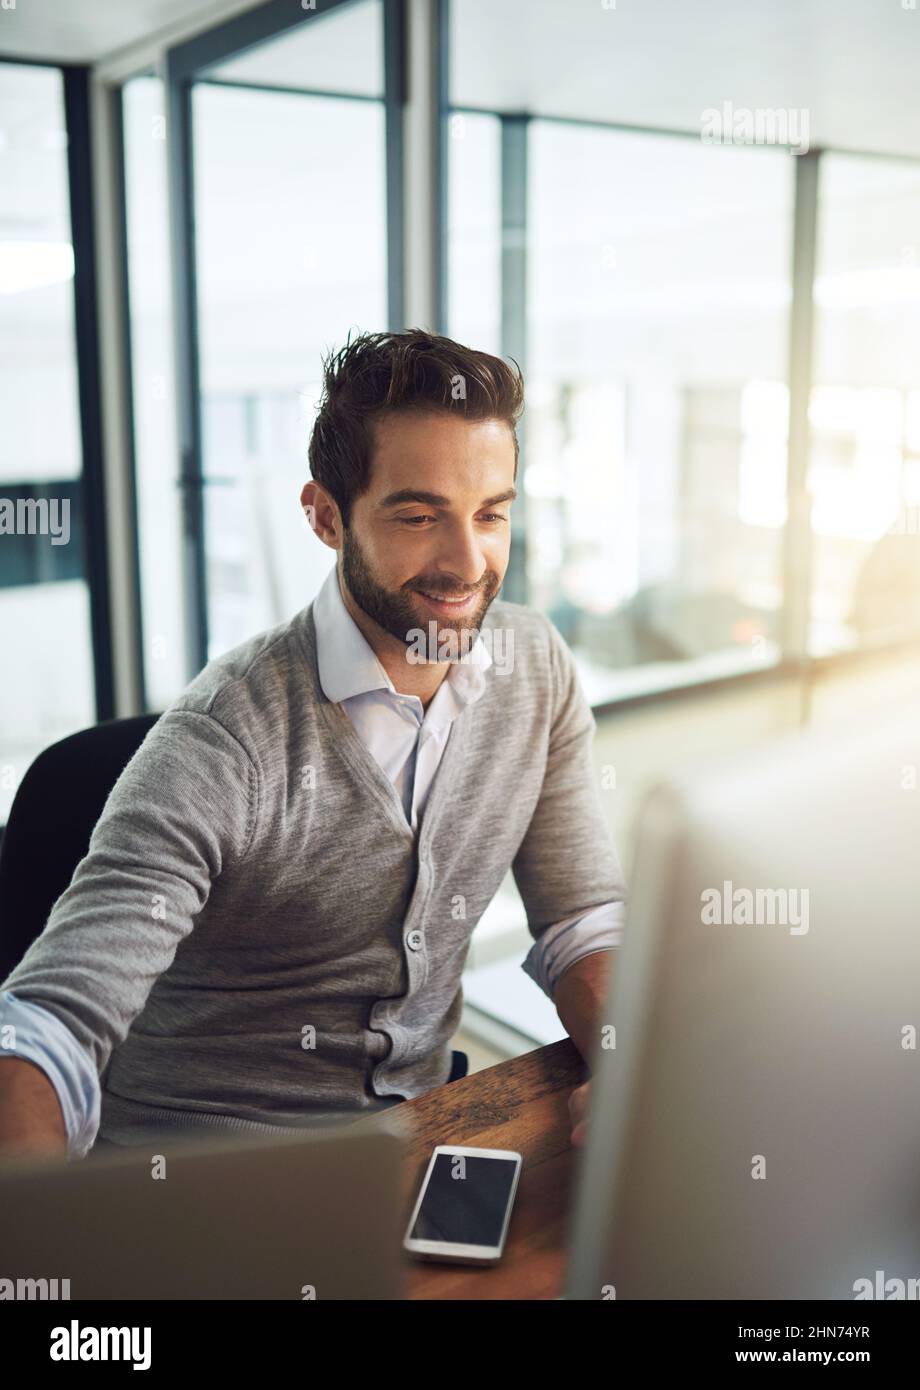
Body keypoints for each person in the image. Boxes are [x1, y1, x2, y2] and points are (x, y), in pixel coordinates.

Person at [0, 329, 625, 1160]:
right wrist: (46, 1236)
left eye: (490, 514)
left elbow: (583, 918)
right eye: (418, 514)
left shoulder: (534, 666)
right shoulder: (224, 739)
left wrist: (623, 1061)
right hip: (208, 1177)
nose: (467, 561)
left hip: (420, 1147)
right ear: (326, 516)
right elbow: (51, 1027)